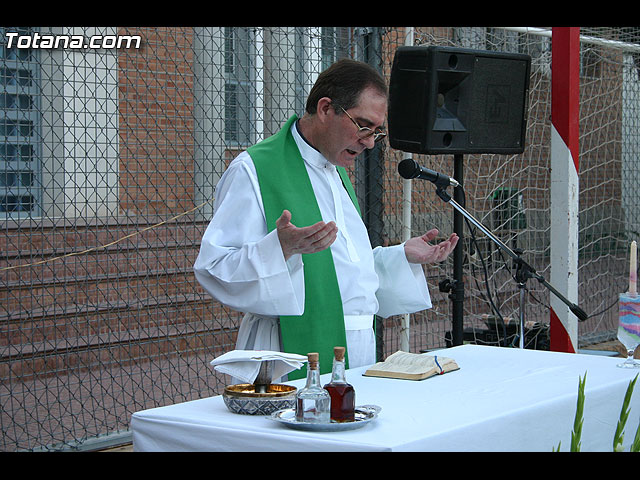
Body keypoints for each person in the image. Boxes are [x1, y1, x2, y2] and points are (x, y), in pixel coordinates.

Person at [194, 59, 458, 378]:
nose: (369, 142)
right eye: (363, 125)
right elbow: (214, 267)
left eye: (377, 132)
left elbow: (343, 272)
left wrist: (400, 256)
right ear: (325, 109)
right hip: (288, 352)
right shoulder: (254, 169)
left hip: (357, 349)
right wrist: (279, 248)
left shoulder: (335, 171)